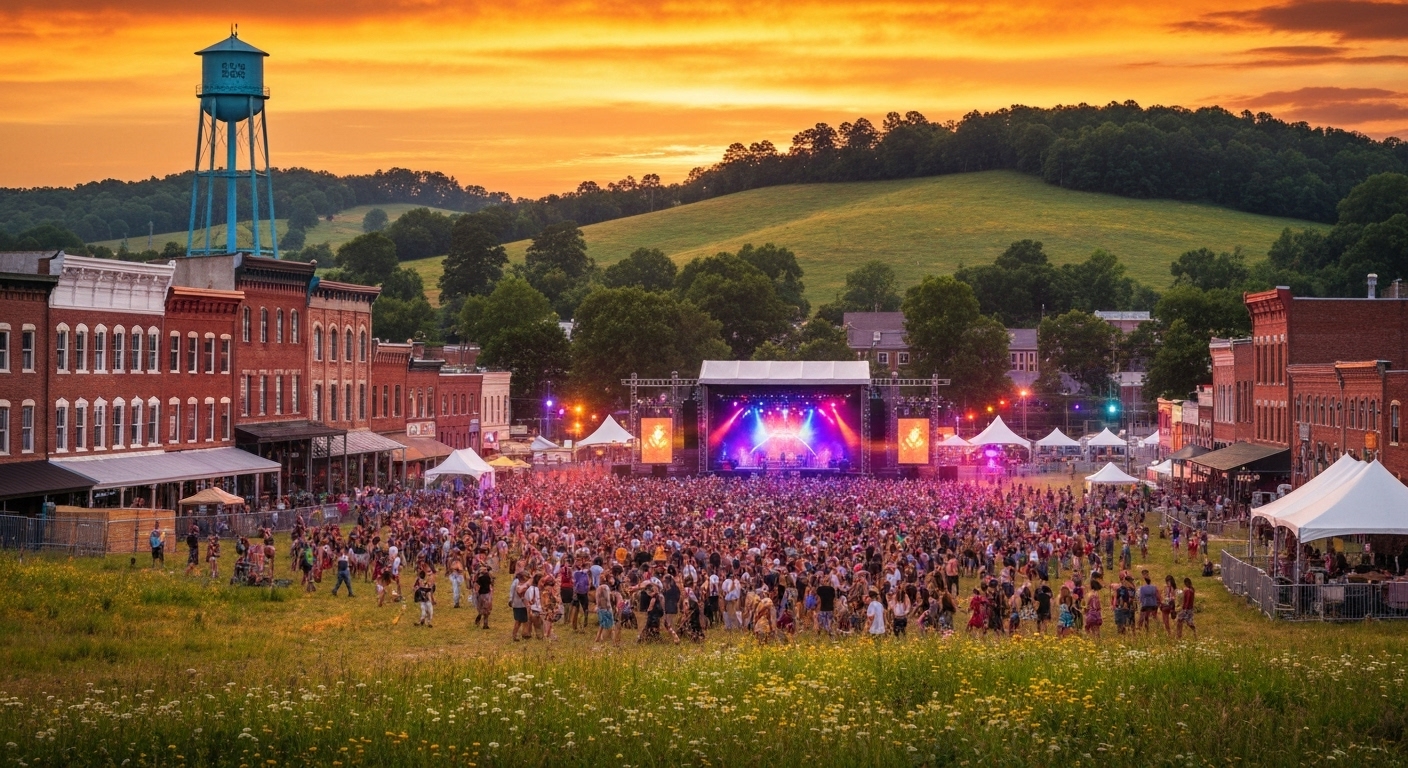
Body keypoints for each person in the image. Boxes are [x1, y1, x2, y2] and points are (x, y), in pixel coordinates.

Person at [474, 565, 494, 630]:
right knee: (487, 609)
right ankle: (485, 624)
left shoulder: (479, 578)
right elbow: (492, 583)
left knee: (481, 607)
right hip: (487, 594)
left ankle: (480, 615)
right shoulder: (488, 577)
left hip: (481, 595)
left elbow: (476, 586)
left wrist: (476, 594)